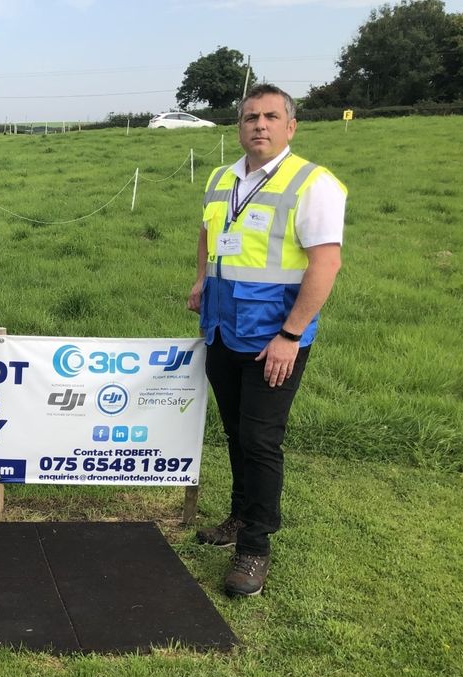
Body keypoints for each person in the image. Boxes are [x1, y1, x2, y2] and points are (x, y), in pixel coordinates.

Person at [187, 84, 346, 597]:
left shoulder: (313, 183)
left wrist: (291, 336)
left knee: (260, 441)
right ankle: (238, 517)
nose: (259, 124)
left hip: (272, 340)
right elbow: (210, 236)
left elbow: (327, 263)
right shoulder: (221, 177)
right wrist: (200, 280)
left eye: (271, 116)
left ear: (290, 126)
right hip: (221, 329)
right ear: (239, 126)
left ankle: (255, 547)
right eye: (251, 116)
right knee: (236, 434)